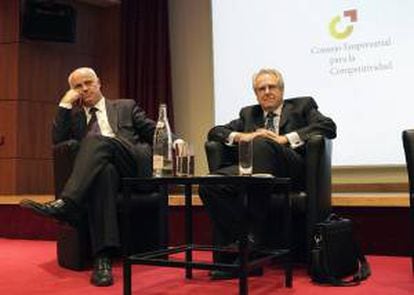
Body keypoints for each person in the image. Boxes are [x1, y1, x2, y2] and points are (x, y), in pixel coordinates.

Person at [20, 67, 183, 287]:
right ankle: (102, 259)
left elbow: (154, 130)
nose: (85, 88)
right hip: (107, 173)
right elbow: (58, 143)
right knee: (103, 173)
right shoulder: (75, 117)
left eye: (88, 82)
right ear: (73, 92)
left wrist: (176, 140)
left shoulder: (125, 106)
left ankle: (67, 203)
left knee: (96, 140)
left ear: (99, 83)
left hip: (131, 165)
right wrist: (64, 105)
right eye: (78, 86)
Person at [199, 68, 336, 279]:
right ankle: (249, 244)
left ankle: (253, 242)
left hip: (291, 168)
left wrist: (285, 139)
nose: (267, 91)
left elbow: (328, 126)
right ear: (256, 94)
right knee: (209, 184)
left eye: (271, 87)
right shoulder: (248, 114)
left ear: (281, 90)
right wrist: (244, 136)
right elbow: (215, 131)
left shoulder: (302, 106)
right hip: (254, 169)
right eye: (261, 88)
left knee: (262, 143)